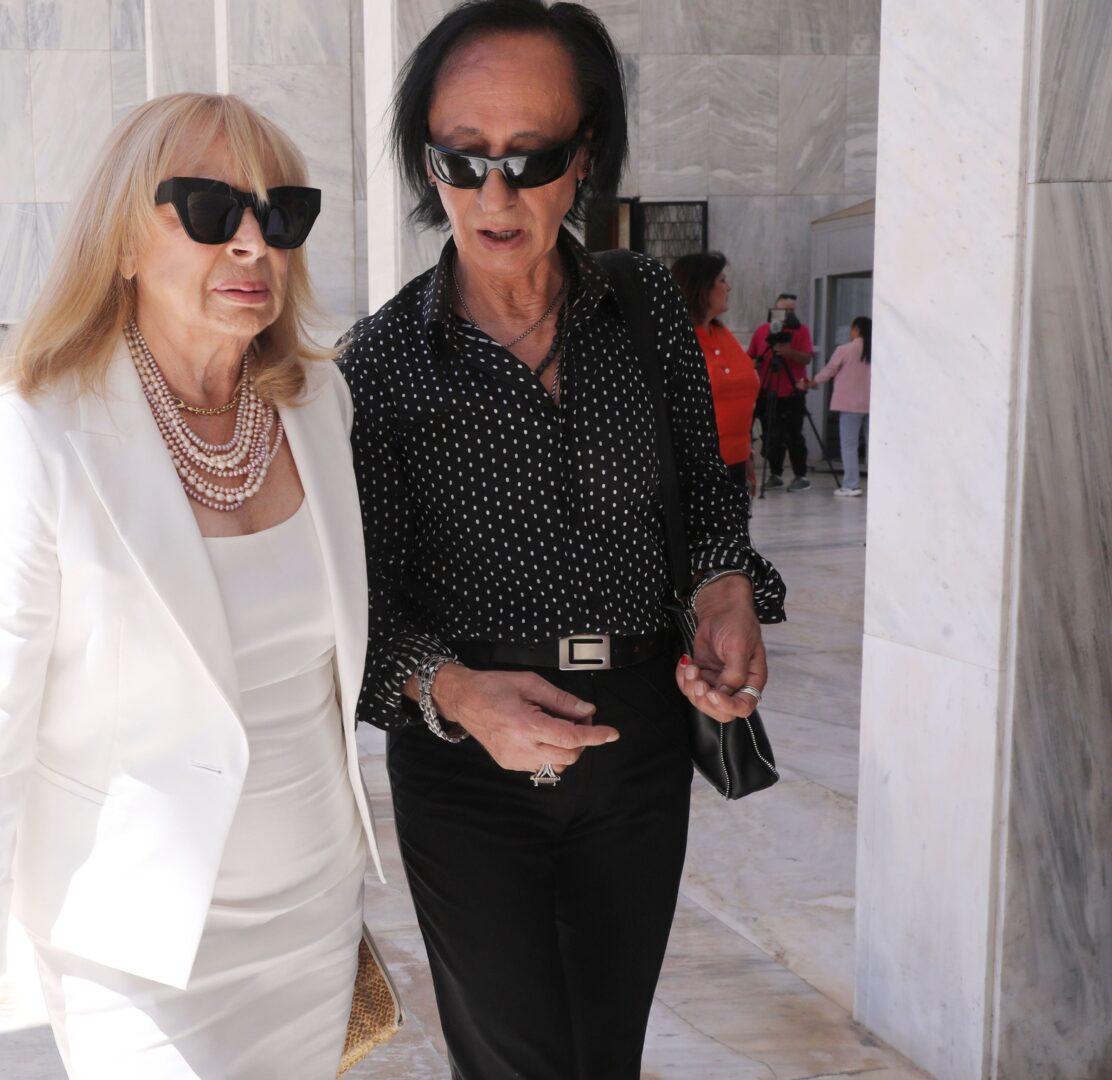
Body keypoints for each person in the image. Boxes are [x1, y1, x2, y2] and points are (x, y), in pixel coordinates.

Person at [339, 3, 786, 1077]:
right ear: (427, 161)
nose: (495, 195)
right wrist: (454, 694)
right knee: (514, 1058)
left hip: (639, 742)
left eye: (531, 158)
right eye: (463, 158)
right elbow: (355, 613)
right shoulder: (382, 364)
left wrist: (724, 590)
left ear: (582, 157)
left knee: (605, 1051)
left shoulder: (645, 310)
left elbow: (706, 500)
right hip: (467, 766)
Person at [0, 93, 382, 1080]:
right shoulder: (35, 432)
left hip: (314, 920)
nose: (252, 242)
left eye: (281, 214)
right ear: (122, 242)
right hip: (132, 945)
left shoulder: (317, 402)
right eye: (211, 209)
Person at [672, 252, 760, 494]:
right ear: (701, 287)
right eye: (722, 280)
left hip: (735, 462)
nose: (728, 287)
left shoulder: (722, 334)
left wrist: (746, 452)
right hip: (696, 468)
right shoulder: (678, 341)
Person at [748, 291, 815, 491]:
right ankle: (775, 474)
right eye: (784, 310)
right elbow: (750, 357)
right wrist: (756, 362)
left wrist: (788, 352)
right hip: (767, 390)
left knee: (794, 435)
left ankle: (800, 475)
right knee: (772, 436)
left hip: (792, 392)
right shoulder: (762, 331)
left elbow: (807, 358)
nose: (788, 315)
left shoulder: (801, 331)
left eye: (791, 311)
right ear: (774, 309)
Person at [805, 315, 872, 496]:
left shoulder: (845, 349)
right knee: (872, 445)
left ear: (856, 330)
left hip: (849, 405)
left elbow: (829, 371)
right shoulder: (875, 350)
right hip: (871, 404)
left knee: (849, 445)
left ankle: (851, 484)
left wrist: (813, 382)